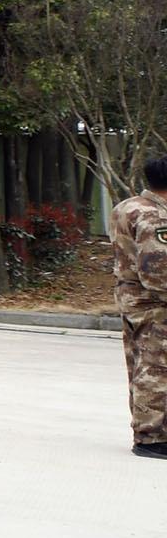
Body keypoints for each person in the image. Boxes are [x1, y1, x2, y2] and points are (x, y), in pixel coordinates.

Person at [114, 155, 167, 456]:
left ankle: (150, 430)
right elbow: (158, 271)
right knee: (156, 368)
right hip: (154, 302)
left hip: (131, 296)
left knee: (141, 363)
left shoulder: (129, 206)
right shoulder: (156, 217)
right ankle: (152, 437)